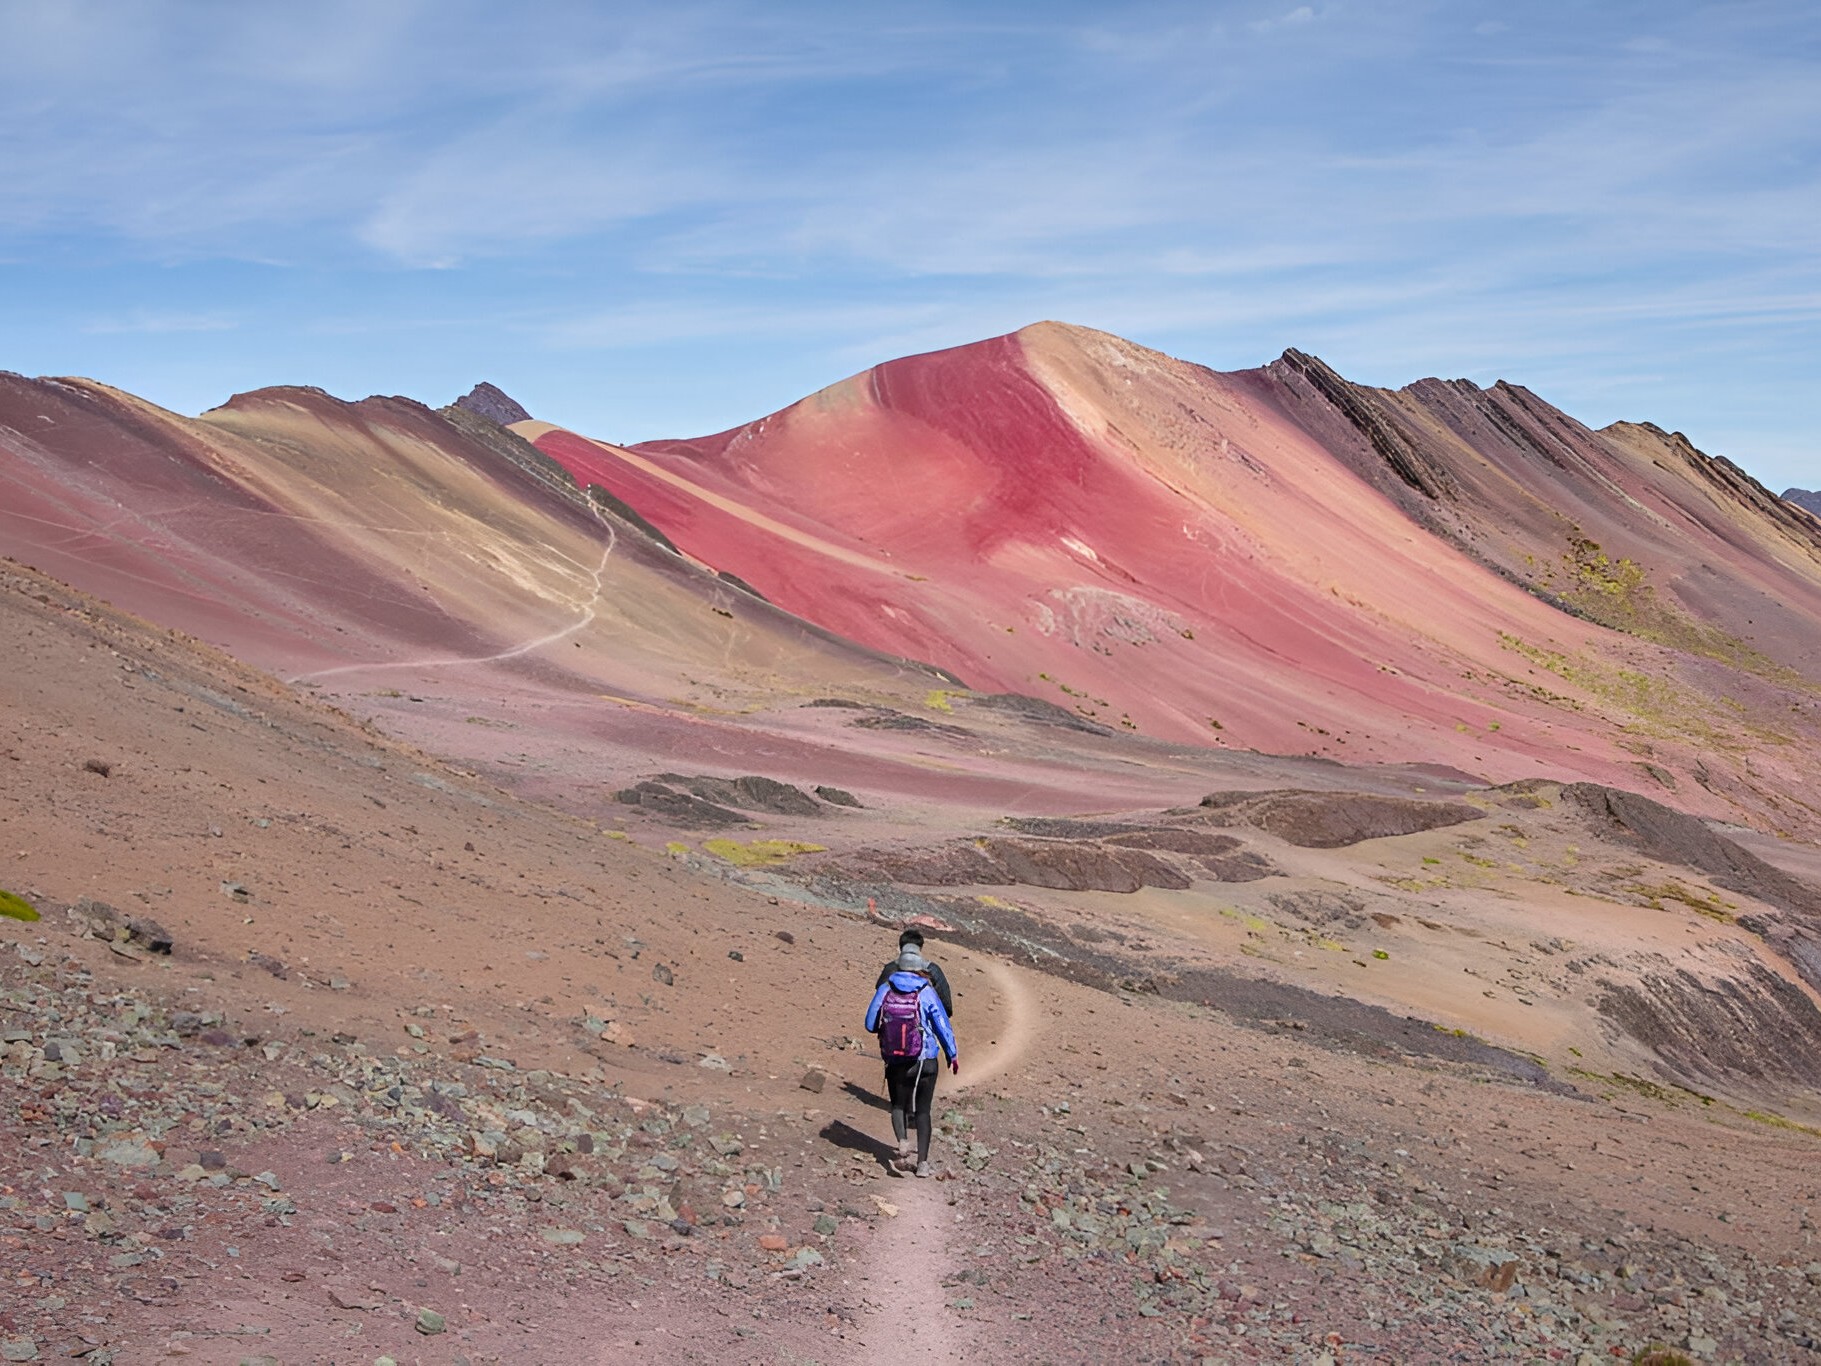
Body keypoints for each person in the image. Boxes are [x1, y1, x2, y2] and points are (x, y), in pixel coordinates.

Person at [864, 948, 958, 1177]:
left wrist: (887, 1032)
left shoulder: (886, 988)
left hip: (897, 1059)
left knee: (898, 1105)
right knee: (923, 1111)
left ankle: (903, 1142)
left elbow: (869, 1023)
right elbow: (942, 1025)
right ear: (920, 969)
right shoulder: (927, 991)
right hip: (926, 1059)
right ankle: (923, 1165)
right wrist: (951, 1054)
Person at [875, 927, 954, 1019]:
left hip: (891, 1023)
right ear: (920, 948)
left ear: (901, 947)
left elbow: (879, 997)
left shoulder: (890, 969)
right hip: (921, 1025)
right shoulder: (932, 969)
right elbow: (946, 1006)